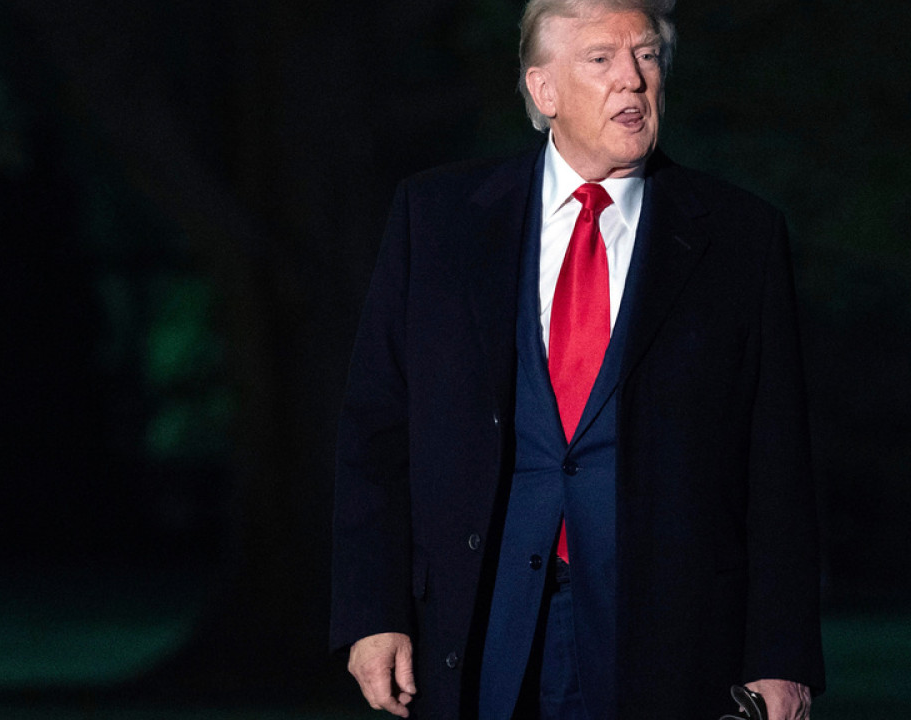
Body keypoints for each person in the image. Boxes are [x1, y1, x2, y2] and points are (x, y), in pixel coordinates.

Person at [330, 0, 824, 717]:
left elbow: (777, 463)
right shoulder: (436, 218)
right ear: (544, 90)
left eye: (647, 55)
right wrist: (372, 611)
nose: (633, 78)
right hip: (479, 620)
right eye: (601, 59)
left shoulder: (740, 237)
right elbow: (376, 431)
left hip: (670, 636)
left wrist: (781, 656)